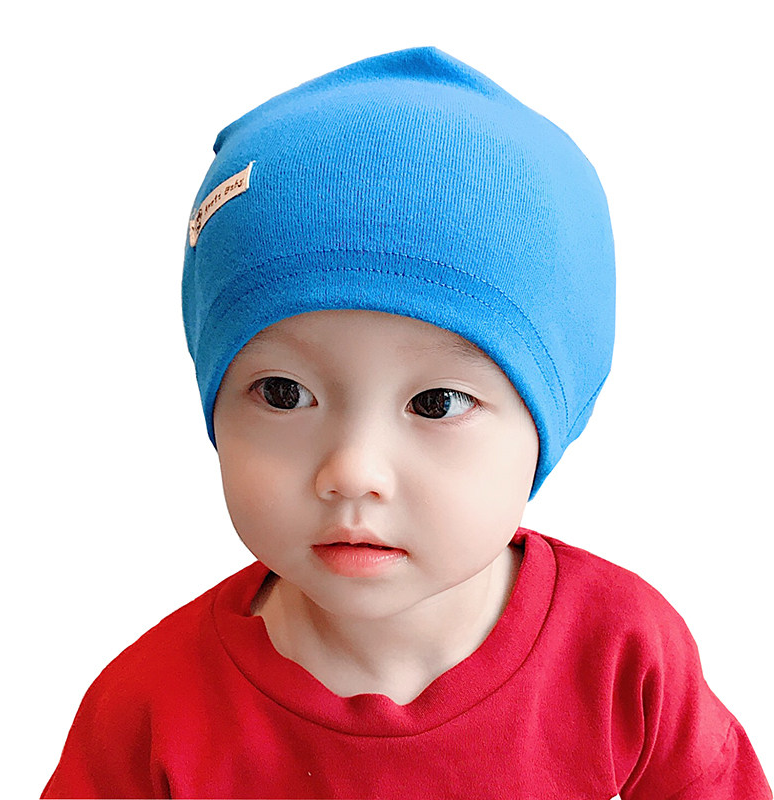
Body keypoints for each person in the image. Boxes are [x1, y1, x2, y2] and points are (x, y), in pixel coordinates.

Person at [41, 46, 771, 800]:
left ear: (551, 422)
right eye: (284, 393)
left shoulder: (623, 657)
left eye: (436, 403)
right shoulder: (149, 713)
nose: (352, 471)